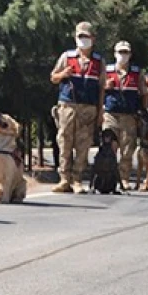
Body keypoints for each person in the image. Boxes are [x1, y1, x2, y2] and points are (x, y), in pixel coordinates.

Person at [49, 21, 104, 194]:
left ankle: (77, 179)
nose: (83, 40)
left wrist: (101, 111)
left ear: (93, 38)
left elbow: (102, 87)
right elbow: (53, 77)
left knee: (83, 144)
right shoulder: (67, 57)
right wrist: (63, 74)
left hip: (88, 107)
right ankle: (64, 179)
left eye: (86, 36)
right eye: (80, 36)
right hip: (68, 105)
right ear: (75, 38)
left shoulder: (98, 61)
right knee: (64, 142)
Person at [102, 40, 144, 188]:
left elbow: (144, 93)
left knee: (127, 148)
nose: (123, 55)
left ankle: (124, 178)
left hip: (129, 116)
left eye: (125, 52)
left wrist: (142, 113)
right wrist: (106, 86)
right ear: (114, 54)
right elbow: (98, 90)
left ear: (130, 54)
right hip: (110, 114)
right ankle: (108, 178)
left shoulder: (137, 72)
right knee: (109, 147)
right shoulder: (106, 71)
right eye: (120, 52)